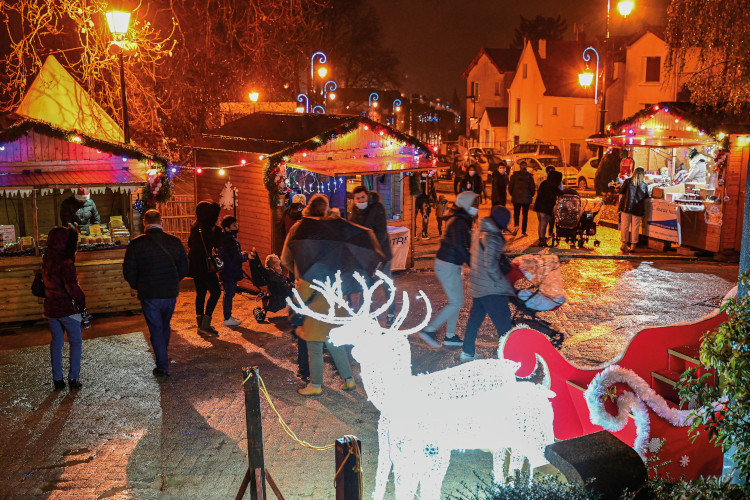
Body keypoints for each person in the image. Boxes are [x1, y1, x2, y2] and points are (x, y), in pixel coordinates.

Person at [281, 194, 357, 396]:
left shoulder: (299, 229)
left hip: (311, 290)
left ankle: (315, 385)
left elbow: (285, 259)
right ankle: (348, 380)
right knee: (332, 339)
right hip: (334, 292)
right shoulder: (333, 230)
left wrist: (297, 272)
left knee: (314, 343)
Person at [123, 209, 189, 378]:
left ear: (144, 223)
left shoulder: (136, 244)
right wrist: (174, 280)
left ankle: (162, 366)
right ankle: (162, 357)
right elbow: (184, 266)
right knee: (164, 325)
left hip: (149, 293)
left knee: (156, 328)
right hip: (169, 292)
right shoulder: (174, 242)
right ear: (161, 222)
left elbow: (128, 270)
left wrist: (138, 285)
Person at [417, 191, 478, 348]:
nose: (476, 208)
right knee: (457, 301)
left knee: (456, 301)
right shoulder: (459, 221)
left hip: (451, 264)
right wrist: (474, 265)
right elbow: (460, 247)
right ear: (466, 205)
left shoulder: (462, 220)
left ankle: (450, 336)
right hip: (448, 264)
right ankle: (429, 330)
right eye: (474, 204)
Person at [460, 206, 515, 362]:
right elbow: (491, 266)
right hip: (491, 289)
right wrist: (503, 284)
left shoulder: (480, 231)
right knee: (504, 325)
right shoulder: (493, 238)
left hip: (479, 285)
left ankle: (467, 353)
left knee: (474, 321)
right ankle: (509, 358)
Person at [43, 226, 86, 391]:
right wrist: (82, 301)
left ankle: (57, 380)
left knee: (56, 342)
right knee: (75, 342)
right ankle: (73, 378)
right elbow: (71, 286)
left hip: (51, 307)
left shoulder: (47, 257)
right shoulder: (66, 261)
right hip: (68, 308)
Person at [349, 186, 395, 324]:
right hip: (366, 258)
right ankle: (366, 316)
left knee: (387, 285)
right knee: (366, 286)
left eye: (363, 197)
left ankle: (391, 314)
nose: (360, 200)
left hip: (382, 255)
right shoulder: (355, 212)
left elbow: (380, 233)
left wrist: (371, 248)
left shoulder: (377, 208)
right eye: (357, 198)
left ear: (367, 196)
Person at [188, 201, 222, 336]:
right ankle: (205, 325)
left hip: (195, 264)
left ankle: (201, 324)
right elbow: (217, 244)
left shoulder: (196, 226)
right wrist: (218, 229)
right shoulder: (207, 228)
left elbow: (190, 243)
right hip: (204, 265)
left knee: (201, 293)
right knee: (216, 292)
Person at [218, 215, 249, 327]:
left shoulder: (225, 238)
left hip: (227, 271)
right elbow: (237, 257)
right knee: (229, 294)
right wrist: (246, 256)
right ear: (227, 228)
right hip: (230, 271)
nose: (237, 226)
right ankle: (227, 318)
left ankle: (228, 316)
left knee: (228, 294)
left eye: (236, 224)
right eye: (234, 225)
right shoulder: (229, 240)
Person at [618, 167, 649, 253]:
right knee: (635, 227)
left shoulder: (628, 182)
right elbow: (646, 196)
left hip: (626, 207)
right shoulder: (644, 185)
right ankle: (633, 245)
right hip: (638, 209)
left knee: (625, 226)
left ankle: (624, 244)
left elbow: (621, 191)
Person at [533, 170, 563, 247]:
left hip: (538, 206)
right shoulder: (553, 186)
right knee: (544, 224)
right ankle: (542, 241)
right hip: (545, 207)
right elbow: (561, 193)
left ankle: (541, 238)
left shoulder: (544, 183)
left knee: (540, 223)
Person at [508, 160, 536, 236]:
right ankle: (524, 231)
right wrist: (530, 195)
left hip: (516, 198)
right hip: (526, 199)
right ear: (526, 167)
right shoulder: (530, 177)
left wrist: (513, 194)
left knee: (516, 214)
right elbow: (533, 188)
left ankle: (516, 226)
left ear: (519, 167)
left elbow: (510, 187)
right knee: (525, 215)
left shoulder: (514, 176)